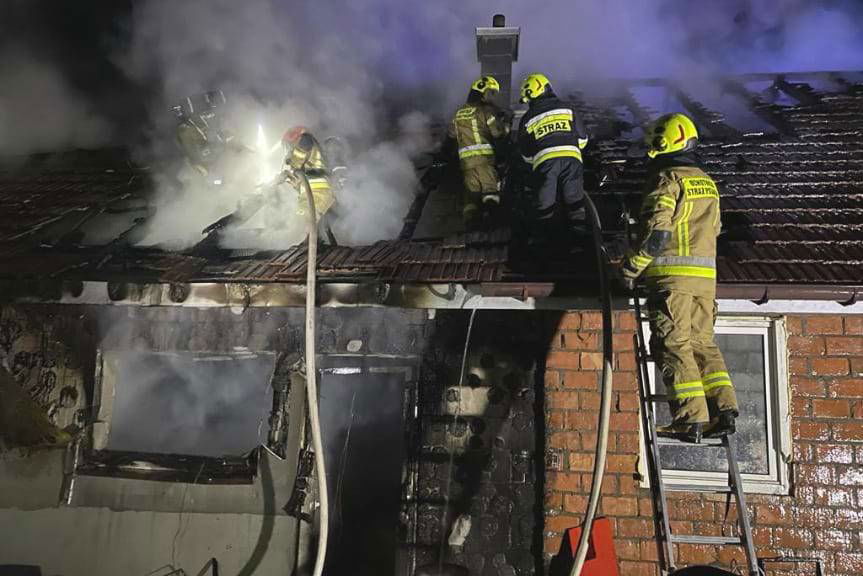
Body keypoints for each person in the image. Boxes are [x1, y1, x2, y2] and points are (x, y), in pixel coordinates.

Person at [620, 113, 738, 442]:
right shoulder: (707, 182)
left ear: (663, 144)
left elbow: (656, 236)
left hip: (672, 281)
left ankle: (690, 419)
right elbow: (714, 231)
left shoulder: (667, 179)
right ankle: (723, 409)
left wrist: (630, 269)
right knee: (702, 344)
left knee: (673, 345)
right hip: (705, 282)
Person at [516, 73, 589, 246]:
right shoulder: (568, 109)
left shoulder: (527, 118)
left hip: (545, 164)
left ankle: (543, 243)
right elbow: (583, 139)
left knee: (544, 204)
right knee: (575, 202)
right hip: (572, 160)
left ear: (532, 94)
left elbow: (525, 154)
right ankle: (580, 241)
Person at [448, 75, 510, 229]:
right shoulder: (485, 111)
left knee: (471, 200)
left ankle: (470, 229)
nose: (492, 97)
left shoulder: (458, 113)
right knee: (491, 194)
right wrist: (507, 124)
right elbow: (498, 133)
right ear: (484, 91)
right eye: (491, 93)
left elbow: (451, 135)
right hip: (484, 162)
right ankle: (493, 229)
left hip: (466, 165)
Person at [280, 126, 337, 244]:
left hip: (316, 191)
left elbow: (297, 159)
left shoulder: (305, 139)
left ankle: (311, 245)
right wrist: (290, 180)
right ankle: (315, 244)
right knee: (315, 222)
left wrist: (289, 160)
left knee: (306, 217)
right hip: (315, 191)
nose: (290, 148)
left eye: (290, 145)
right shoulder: (309, 147)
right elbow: (301, 175)